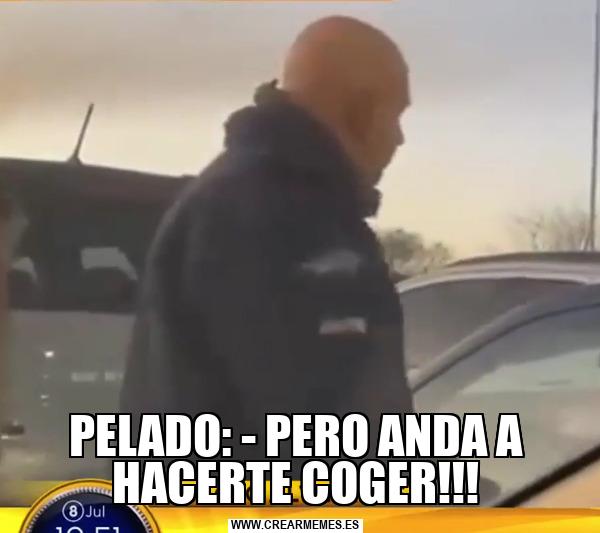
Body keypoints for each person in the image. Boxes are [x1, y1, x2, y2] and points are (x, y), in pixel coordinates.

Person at [121, 16, 413, 471]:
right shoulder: (288, 219)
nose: (399, 138)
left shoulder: (236, 198)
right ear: (358, 110)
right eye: (395, 115)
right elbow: (326, 434)